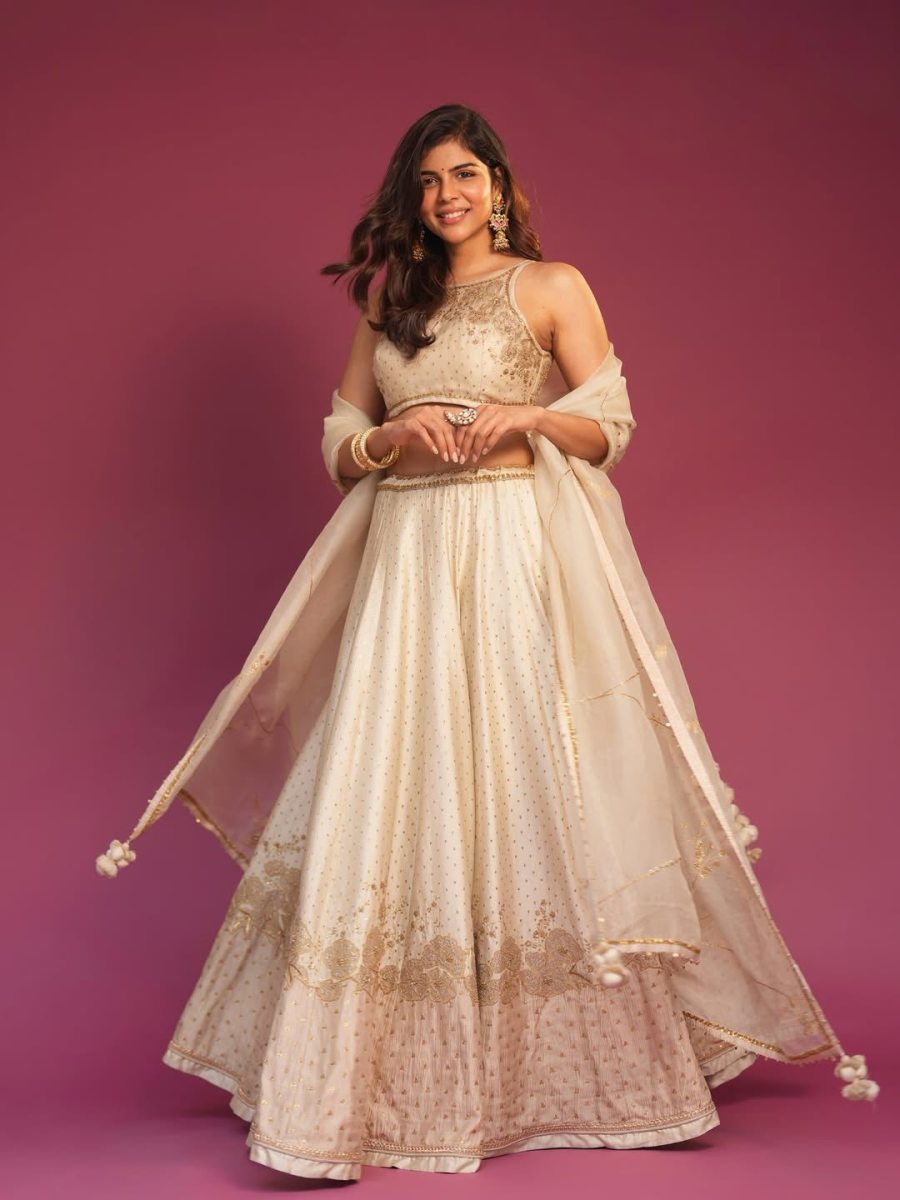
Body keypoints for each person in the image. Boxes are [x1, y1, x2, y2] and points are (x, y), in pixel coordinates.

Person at [94, 104, 879, 1180]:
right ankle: (342, 1092)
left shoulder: (550, 286)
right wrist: (388, 437)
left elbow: (610, 425)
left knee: (522, 774)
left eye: (465, 175)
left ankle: (582, 1078)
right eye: (427, 182)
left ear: (500, 186)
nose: (447, 196)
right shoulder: (392, 302)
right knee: (394, 779)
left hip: (511, 552)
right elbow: (338, 441)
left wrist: (530, 418)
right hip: (407, 557)